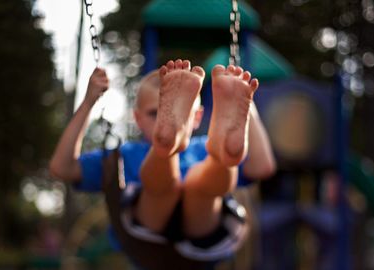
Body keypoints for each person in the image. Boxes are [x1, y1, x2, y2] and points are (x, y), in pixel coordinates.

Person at [49, 59, 276, 262]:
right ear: (137, 119)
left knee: (202, 183)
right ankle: (189, 152)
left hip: (200, 231)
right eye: (154, 114)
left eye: (166, 113)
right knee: (166, 186)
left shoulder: (197, 147)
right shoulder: (123, 156)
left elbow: (262, 167)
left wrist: (245, 103)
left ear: (197, 117)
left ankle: (222, 154)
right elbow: (63, 167)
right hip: (150, 235)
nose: (159, 121)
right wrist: (89, 101)